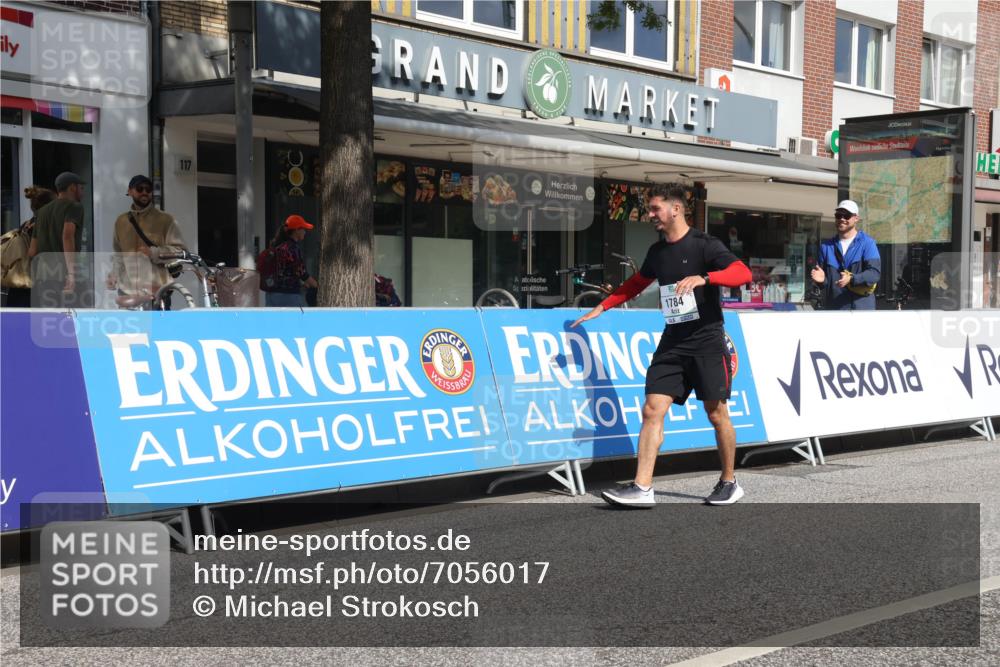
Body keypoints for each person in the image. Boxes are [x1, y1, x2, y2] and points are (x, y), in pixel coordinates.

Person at [572, 183, 752, 507]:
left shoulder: (704, 245)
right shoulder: (658, 252)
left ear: (676, 209)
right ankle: (642, 487)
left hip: (707, 340)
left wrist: (706, 278)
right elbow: (637, 283)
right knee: (652, 409)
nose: (650, 215)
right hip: (673, 342)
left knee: (716, 412)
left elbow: (742, 273)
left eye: (655, 209)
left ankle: (729, 481)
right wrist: (604, 305)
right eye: (650, 209)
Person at [107, 175, 188, 308]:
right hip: (128, 292)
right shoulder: (121, 222)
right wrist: (113, 275)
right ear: (130, 191)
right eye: (140, 189)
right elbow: (118, 255)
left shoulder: (166, 220)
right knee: (130, 329)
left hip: (157, 292)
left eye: (148, 189)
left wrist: (154, 252)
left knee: (159, 329)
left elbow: (181, 252)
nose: (145, 192)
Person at [810, 199, 881, 310]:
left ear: (856, 218)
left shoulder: (867, 243)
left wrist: (852, 278)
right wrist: (821, 281)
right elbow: (824, 284)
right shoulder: (826, 247)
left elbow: (874, 274)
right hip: (835, 310)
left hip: (861, 310)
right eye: (838, 215)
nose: (842, 219)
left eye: (846, 215)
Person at [28, 172, 85, 308]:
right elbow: (67, 236)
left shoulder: (41, 212)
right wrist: (72, 273)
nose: (83, 192)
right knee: (72, 321)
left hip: (44, 276)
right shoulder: (74, 207)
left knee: (50, 321)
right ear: (72, 187)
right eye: (81, 188)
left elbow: (32, 251)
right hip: (64, 274)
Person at [1, 186, 55, 307]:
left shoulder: (26, 225)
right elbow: (36, 253)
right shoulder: (42, 227)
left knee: (18, 322)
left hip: (20, 285)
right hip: (35, 288)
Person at [263, 214, 318, 307]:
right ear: (297, 230)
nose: (305, 232)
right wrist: (316, 285)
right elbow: (302, 273)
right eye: (303, 229)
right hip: (288, 296)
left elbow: (284, 272)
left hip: (271, 295)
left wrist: (301, 283)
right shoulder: (292, 248)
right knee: (306, 320)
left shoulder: (278, 247)